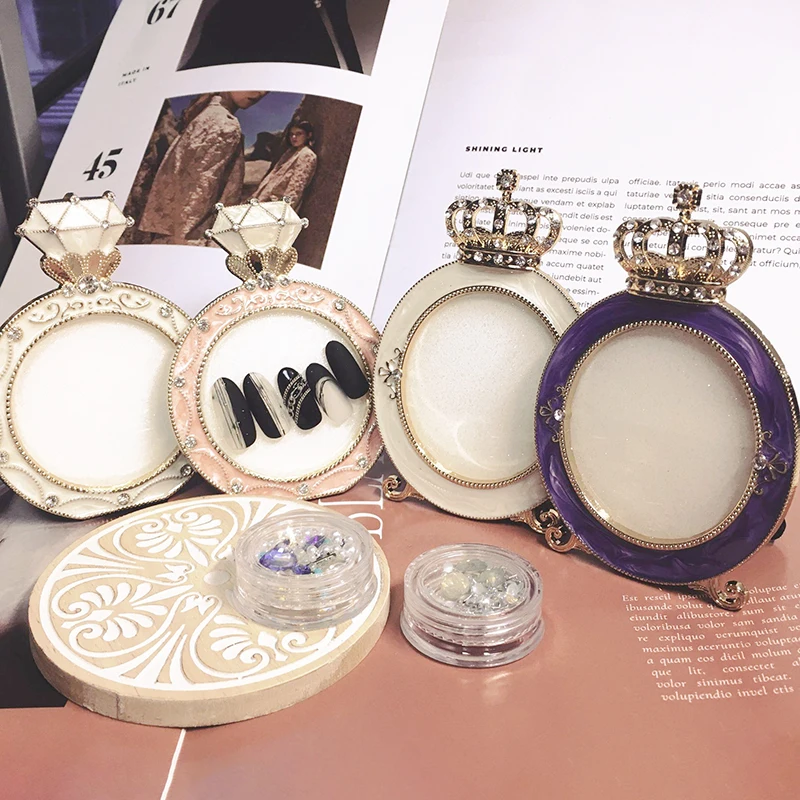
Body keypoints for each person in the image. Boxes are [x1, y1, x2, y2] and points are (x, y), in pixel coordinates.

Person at [138, 91, 266, 244]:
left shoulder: (204, 114)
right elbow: (198, 193)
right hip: (191, 238)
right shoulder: (224, 123)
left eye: (267, 89)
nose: (261, 93)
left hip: (168, 232)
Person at [255, 121, 317, 212]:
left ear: (308, 135)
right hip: (266, 201)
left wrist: (283, 210)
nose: (294, 137)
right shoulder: (290, 152)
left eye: (298, 134)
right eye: (291, 134)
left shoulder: (307, 155)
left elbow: (296, 187)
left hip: (278, 206)